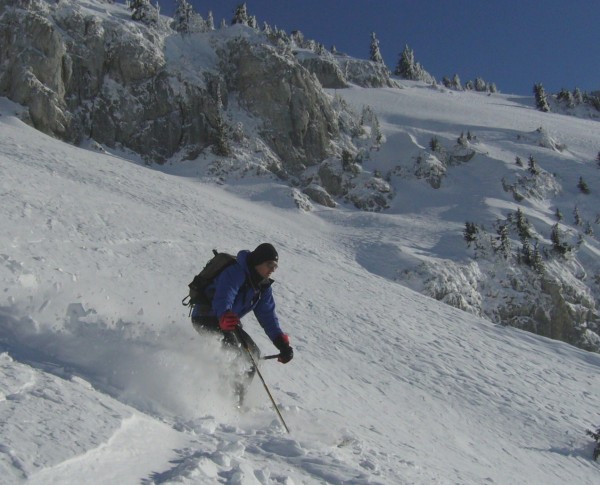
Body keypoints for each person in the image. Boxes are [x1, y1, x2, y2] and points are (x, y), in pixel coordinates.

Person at [191, 243, 293, 403]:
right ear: (258, 261)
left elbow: (268, 316)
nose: (272, 270)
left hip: (228, 322)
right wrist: (224, 315)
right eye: (270, 265)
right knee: (239, 356)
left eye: (275, 267)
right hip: (207, 317)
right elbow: (224, 296)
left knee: (254, 356)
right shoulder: (236, 272)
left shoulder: (263, 287)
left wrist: (281, 344)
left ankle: (235, 400)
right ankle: (227, 401)